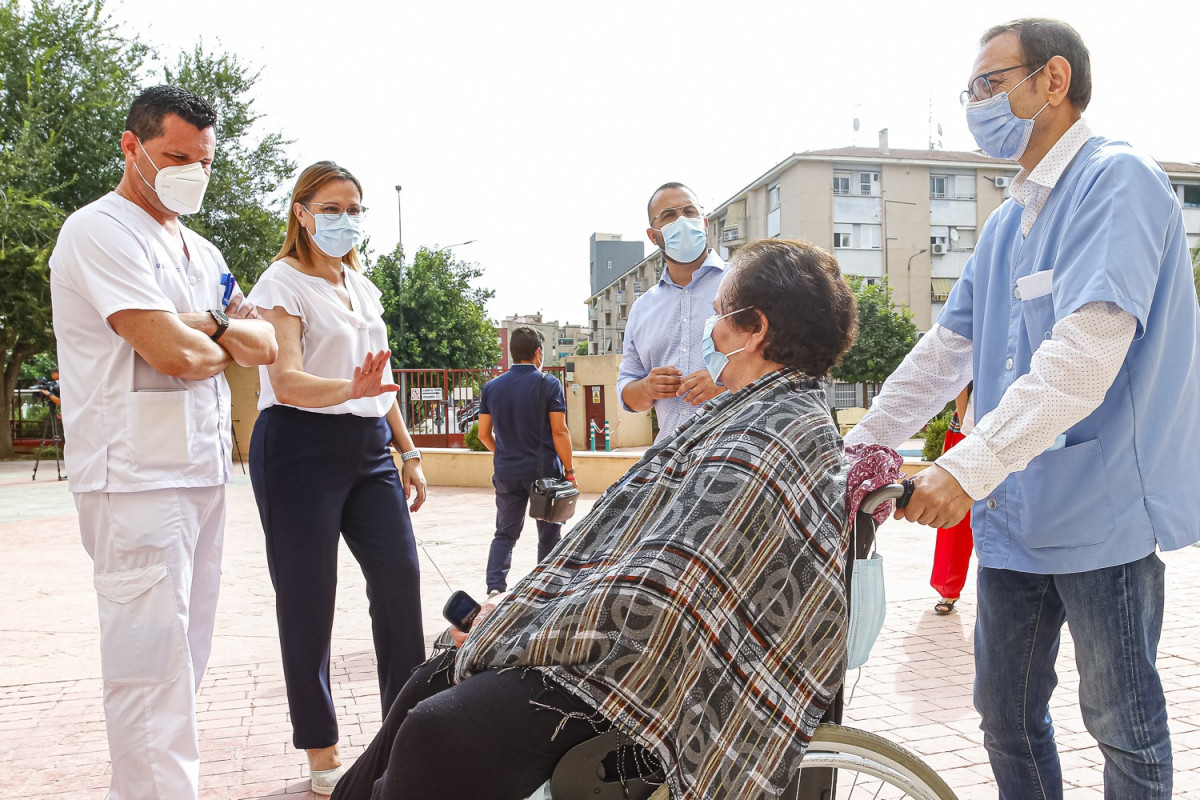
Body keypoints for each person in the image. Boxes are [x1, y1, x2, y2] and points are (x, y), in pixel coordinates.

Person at [330, 238, 859, 800]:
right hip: (630, 639)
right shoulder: (757, 413)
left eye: (719, 316)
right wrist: (525, 611)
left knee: (436, 732)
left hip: (651, 669)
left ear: (754, 327)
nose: (711, 330)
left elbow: (670, 587)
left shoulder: (775, 434)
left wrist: (529, 624)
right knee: (426, 682)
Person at [845, 18, 1200, 798]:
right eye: (970, 89)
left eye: (989, 83)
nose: (976, 103)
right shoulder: (1008, 222)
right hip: (1014, 517)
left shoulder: (1119, 181)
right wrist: (859, 445)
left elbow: (1083, 359)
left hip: (1099, 512)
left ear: (1053, 80)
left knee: (1122, 724)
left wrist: (964, 466)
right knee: (1004, 717)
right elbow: (946, 352)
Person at [48, 85, 279, 800]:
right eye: (176, 156)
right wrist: (213, 334)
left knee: (185, 658)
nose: (192, 173)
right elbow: (170, 354)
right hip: (135, 477)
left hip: (201, 472)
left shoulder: (199, 246)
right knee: (147, 668)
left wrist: (198, 323)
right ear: (131, 146)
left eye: (203, 161)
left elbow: (265, 341)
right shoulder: (99, 231)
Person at [246, 161, 427, 795]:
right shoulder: (280, 283)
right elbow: (286, 378)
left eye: (354, 209)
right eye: (331, 208)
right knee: (308, 596)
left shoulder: (363, 285)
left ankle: (406, 735)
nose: (344, 220)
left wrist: (408, 452)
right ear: (302, 212)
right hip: (298, 446)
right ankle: (321, 752)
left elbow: (380, 384)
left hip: (369, 445)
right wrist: (345, 389)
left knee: (402, 580)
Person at [618, 182, 727, 442]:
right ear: (653, 235)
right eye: (669, 216)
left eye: (689, 212)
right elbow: (626, 391)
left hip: (737, 458)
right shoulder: (642, 309)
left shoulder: (744, 283)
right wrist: (646, 388)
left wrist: (726, 385)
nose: (682, 220)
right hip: (670, 466)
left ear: (704, 222)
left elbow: (780, 368)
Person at [476, 326, 576, 595]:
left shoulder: (492, 387)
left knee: (505, 534)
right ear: (538, 353)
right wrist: (569, 470)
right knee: (549, 535)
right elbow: (559, 431)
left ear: (512, 354)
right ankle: (545, 589)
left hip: (507, 472)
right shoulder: (548, 384)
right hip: (544, 474)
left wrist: (502, 451)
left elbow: (483, 434)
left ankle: (495, 589)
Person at [930, 383, 974, 615]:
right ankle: (949, 588)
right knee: (956, 514)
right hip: (967, 429)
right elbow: (962, 382)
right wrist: (969, 430)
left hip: (1017, 426)